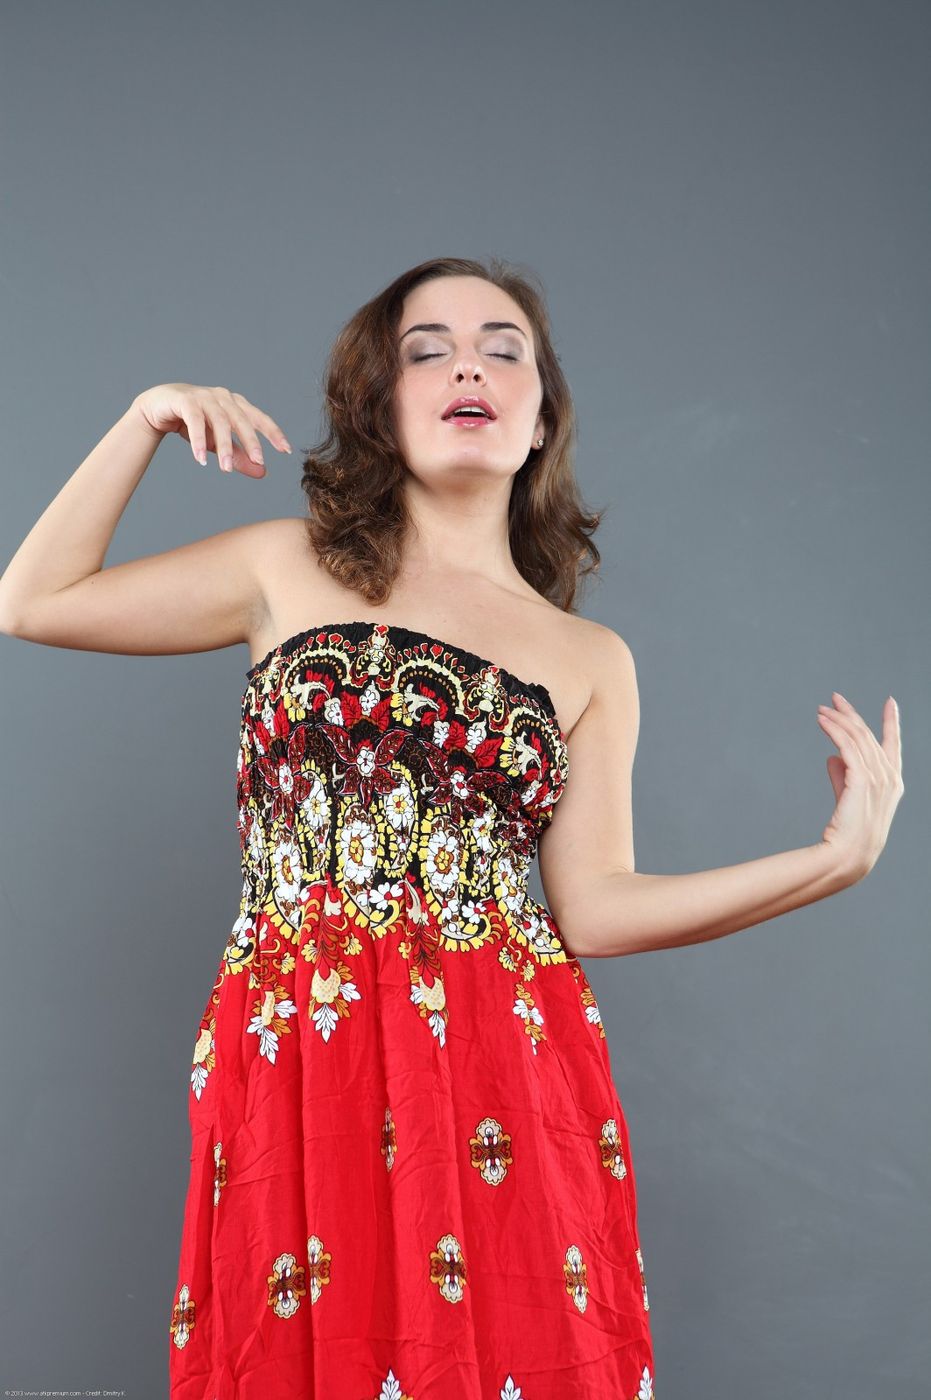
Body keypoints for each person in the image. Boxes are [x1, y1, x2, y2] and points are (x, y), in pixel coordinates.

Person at [0, 256, 904, 1399]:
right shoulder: (283, 564)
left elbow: (597, 909)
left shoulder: (589, 657)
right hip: (302, 1035)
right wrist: (143, 419)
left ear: (541, 418)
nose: (467, 365)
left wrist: (829, 862)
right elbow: (32, 600)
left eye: (501, 347)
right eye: (426, 350)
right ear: (379, 407)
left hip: (501, 1060)